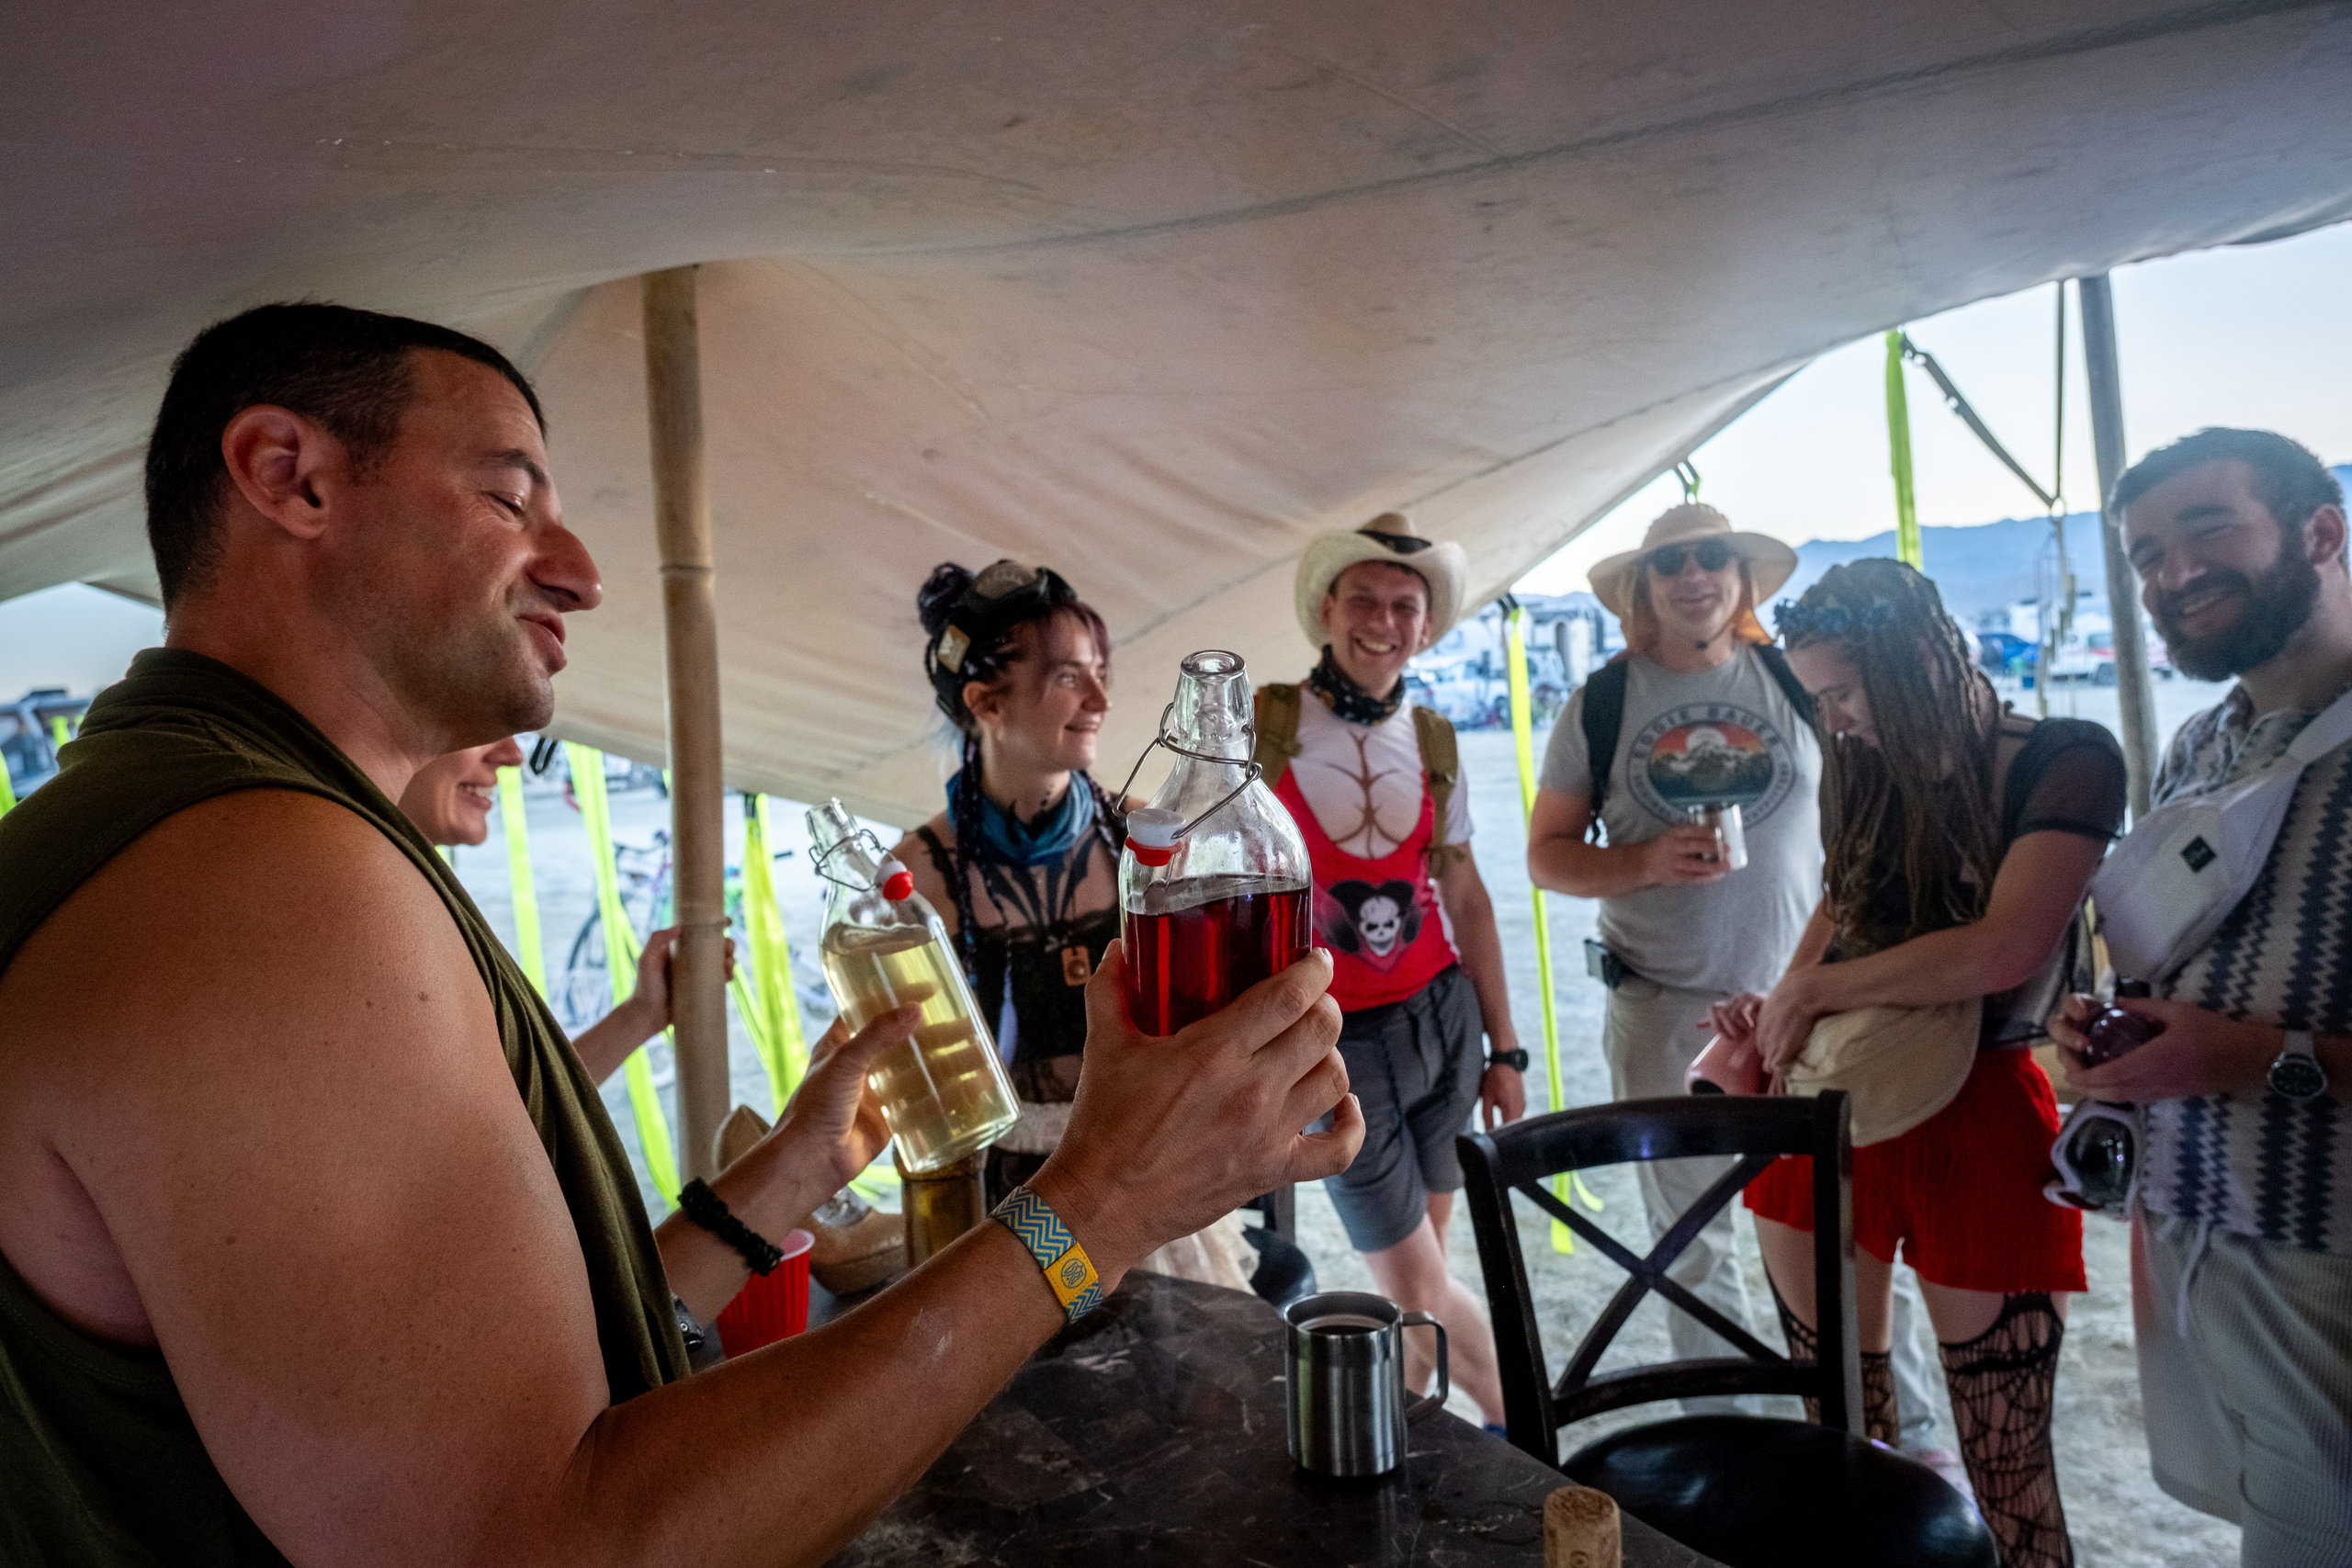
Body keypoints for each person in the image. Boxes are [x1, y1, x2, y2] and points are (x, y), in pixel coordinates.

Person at [0, 301, 1363, 1565]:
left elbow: (497, 1395)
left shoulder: (201, 829)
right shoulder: (260, 877)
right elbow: (535, 1540)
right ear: (288, 475)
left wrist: (785, 1173)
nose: (582, 573)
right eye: (508, 498)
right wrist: (1103, 1204)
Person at [1710, 559, 2123, 1568]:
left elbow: (2006, 948)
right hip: (1830, 1099)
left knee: (2007, 1461)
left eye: (1846, 692)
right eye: (1819, 699)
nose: (1835, 720)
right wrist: (1782, 1008)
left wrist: (1817, 991)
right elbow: (1843, 897)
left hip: (1985, 1105)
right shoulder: (1860, 753)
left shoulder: (2065, 757)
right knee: (1842, 1438)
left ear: (1921, 662)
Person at [2051, 428, 2352, 1566]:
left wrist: (2247, 1057)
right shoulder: (2202, 742)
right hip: (2198, 1218)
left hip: (2330, 1243)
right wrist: (2115, 1025)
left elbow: (2241, 1037)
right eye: (2144, 555)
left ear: (2320, 533)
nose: (2172, 574)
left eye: (2207, 529)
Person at [1528, 502, 1838, 1415]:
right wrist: (1643, 861)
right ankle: (1727, 1438)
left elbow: (1860, 835)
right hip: (1663, 1008)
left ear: (1741, 579)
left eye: (1712, 557)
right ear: (1642, 588)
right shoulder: (1602, 703)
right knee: (1689, 1244)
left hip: (1804, 1006)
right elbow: (1546, 856)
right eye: (1671, 563)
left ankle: (1859, 1424)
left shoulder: (1795, 680)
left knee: (1831, 1227)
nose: (1694, 575)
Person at [892, 559, 1257, 1286]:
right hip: (1000, 1207)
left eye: (1100, 674)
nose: (1099, 699)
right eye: (1068, 677)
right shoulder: (922, 873)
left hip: (1146, 1175)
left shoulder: (1143, 839)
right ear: (985, 701)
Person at [1259, 511, 1521, 1426]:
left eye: (1404, 605)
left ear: (1427, 624)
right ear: (1327, 609)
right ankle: (1529, 1433)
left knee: (1424, 1280)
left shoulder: (1436, 737)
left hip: (1444, 1021)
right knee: (1416, 1287)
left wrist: (1506, 1049)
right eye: (1363, 599)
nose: (1383, 620)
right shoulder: (1266, 726)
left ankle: (1405, 1452)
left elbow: (1467, 894)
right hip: (1336, 1042)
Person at [401, 735, 707, 1086]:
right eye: (476, 724)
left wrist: (644, 1012)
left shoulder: (416, 894)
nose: (513, 755)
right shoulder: (375, 914)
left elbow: (516, 1101)